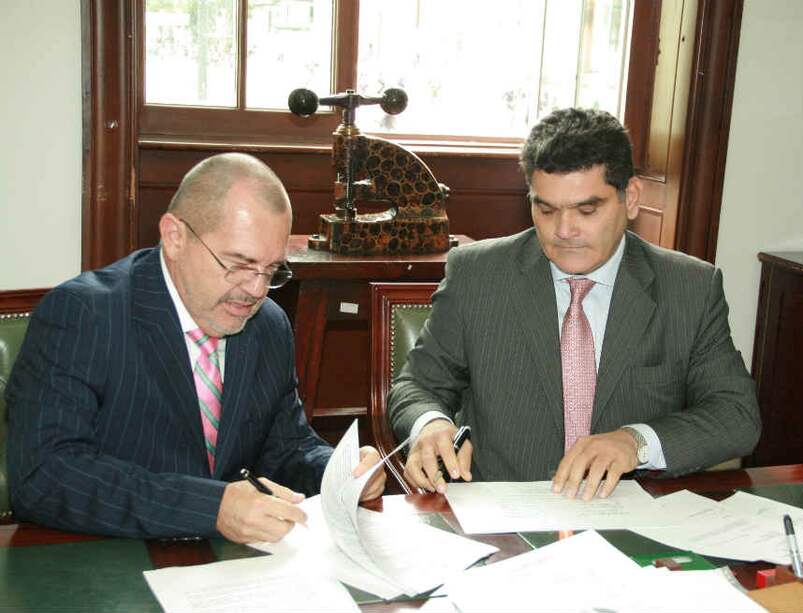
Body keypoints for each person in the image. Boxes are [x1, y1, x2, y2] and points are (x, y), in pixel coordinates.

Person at [6, 153, 385, 542]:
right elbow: (44, 474)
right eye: (238, 264)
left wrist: (341, 471)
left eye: (271, 270)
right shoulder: (85, 314)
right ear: (174, 237)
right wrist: (210, 507)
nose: (256, 290)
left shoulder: (267, 324)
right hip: (105, 565)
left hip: (226, 573)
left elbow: (285, 446)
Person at [388, 108, 760, 501]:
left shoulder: (689, 288)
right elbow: (418, 386)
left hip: (632, 519)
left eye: (587, 210)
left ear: (630, 198)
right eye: (546, 209)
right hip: (501, 516)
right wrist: (429, 424)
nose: (564, 231)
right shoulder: (478, 275)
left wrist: (636, 442)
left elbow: (735, 415)